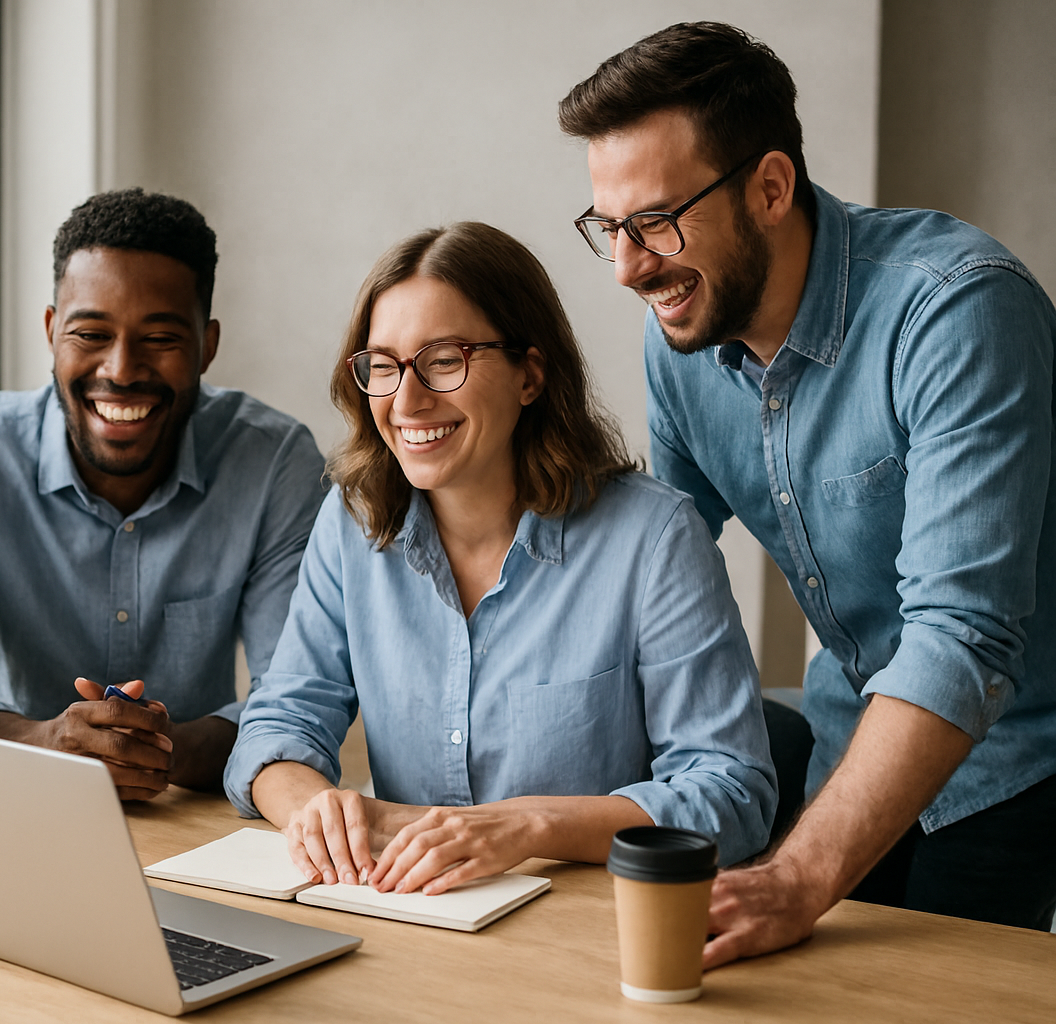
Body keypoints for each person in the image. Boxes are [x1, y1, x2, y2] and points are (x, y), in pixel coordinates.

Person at [558, 21, 1056, 960]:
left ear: (771, 187)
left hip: (1019, 751)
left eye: (656, 221)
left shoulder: (956, 307)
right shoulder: (686, 349)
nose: (627, 268)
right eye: (609, 229)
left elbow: (964, 635)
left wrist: (798, 876)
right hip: (849, 730)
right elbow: (644, 585)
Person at [223, 222, 776, 894]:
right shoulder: (353, 524)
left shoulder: (654, 540)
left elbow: (733, 792)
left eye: (444, 360)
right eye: (383, 365)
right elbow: (276, 725)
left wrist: (531, 826)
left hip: (586, 935)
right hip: (408, 919)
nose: (405, 400)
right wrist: (313, 808)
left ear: (530, 375)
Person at [0, 189, 324, 800]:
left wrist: (152, 751)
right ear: (51, 332)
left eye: (161, 338)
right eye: (91, 333)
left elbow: (294, 697)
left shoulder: (274, 462)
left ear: (208, 345)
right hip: (1, 805)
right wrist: (48, 744)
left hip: (190, 823)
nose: (121, 369)